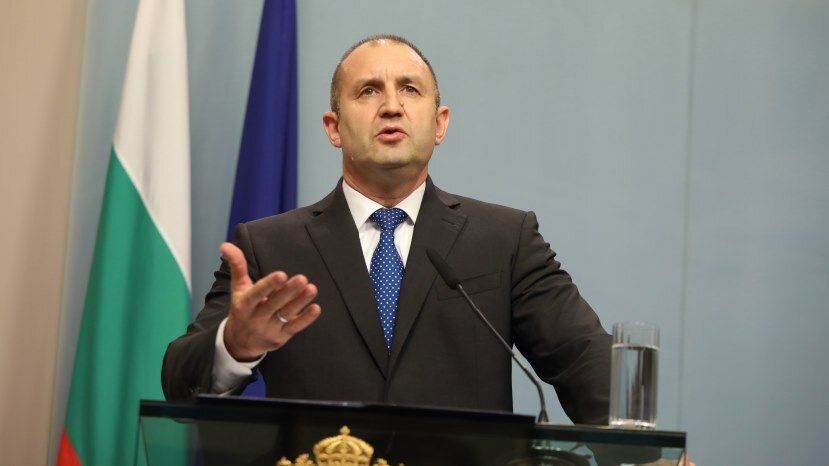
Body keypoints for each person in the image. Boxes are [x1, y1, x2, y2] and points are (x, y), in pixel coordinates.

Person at [162, 34, 612, 426]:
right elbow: (179, 384)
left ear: (439, 124)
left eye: (410, 89)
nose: (392, 106)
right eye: (368, 91)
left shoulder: (505, 240)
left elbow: (585, 363)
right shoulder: (270, 247)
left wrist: (640, 445)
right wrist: (234, 345)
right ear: (334, 128)